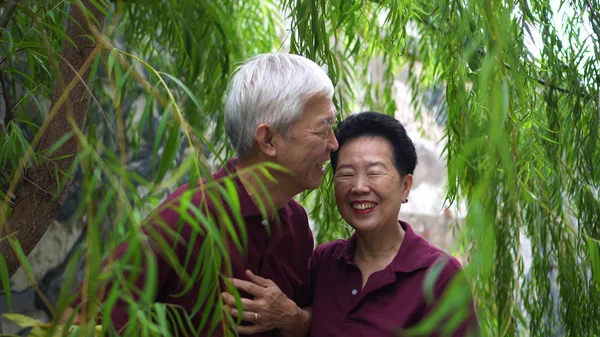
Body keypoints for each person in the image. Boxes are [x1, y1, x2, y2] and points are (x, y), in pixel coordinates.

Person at [65, 53, 339, 337]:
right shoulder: (187, 217)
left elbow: (310, 317)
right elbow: (76, 318)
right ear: (268, 139)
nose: (334, 144)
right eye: (324, 128)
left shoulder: (295, 223)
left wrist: (293, 318)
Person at [226, 111, 478, 337]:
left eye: (374, 172)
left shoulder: (440, 276)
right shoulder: (323, 262)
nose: (358, 187)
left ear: (405, 186)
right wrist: (293, 319)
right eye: (346, 173)